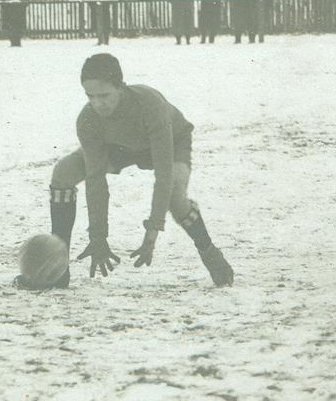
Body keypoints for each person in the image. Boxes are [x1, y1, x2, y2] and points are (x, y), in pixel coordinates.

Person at [40, 53, 234, 288]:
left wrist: (153, 230)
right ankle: (58, 268)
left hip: (171, 142)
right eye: (90, 96)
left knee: (174, 196)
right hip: (119, 148)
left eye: (104, 95)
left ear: (121, 87)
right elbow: (95, 179)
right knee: (63, 172)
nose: (98, 103)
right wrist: (98, 238)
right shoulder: (88, 119)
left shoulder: (150, 105)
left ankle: (208, 250)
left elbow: (163, 175)